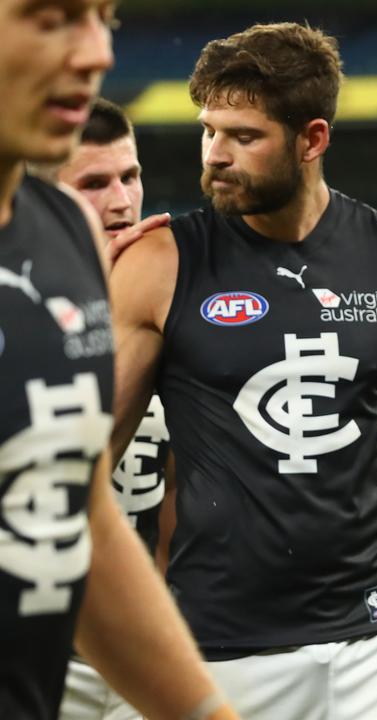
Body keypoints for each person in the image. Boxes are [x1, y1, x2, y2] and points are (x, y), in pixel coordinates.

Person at [109, 21, 377, 719]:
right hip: (221, 646)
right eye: (209, 131)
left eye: (243, 136)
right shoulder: (160, 265)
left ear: (312, 140)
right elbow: (85, 461)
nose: (215, 155)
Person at [0, 1, 237, 719]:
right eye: (52, 18)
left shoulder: (58, 232)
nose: (96, 52)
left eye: (105, 18)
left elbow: (77, 512)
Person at [28, 96, 176, 720]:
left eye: (130, 176)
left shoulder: (181, 295)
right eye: (94, 183)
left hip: (150, 641)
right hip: (42, 645)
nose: (121, 201)